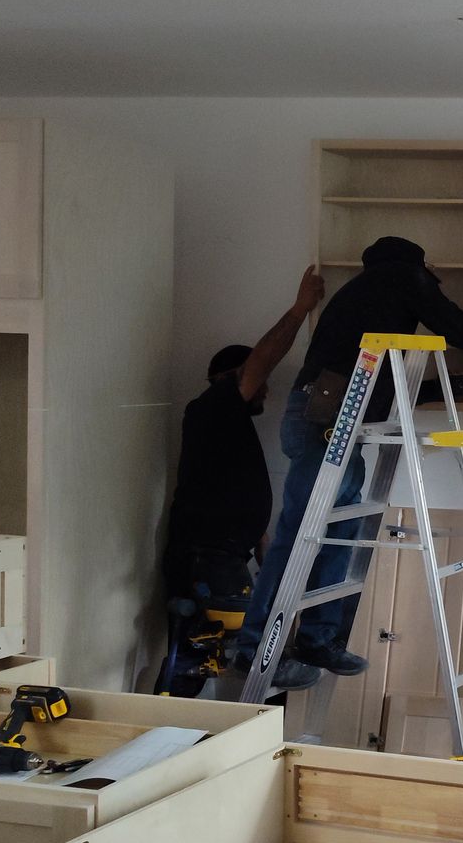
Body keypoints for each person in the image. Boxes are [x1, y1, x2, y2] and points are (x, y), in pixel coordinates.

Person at [231, 236, 463, 685]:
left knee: (340, 533)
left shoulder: (369, 298)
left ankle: (317, 639)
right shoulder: (400, 276)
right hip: (324, 427)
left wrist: (454, 385)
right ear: (417, 265)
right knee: (296, 540)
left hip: (336, 424)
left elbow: (385, 387)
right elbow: (458, 330)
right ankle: (254, 652)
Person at [158, 266, 327, 694]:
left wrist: (271, 560)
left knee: (199, 661)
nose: (267, 392)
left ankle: (181, 728)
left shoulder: (225, 425)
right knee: (227, 648)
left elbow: (240, 501)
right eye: (260, 383)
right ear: (234, 378)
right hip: (208, 559)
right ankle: (253, 665)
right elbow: (263, 359)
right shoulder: (215, 404)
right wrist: (299, 309)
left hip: (220, 556)